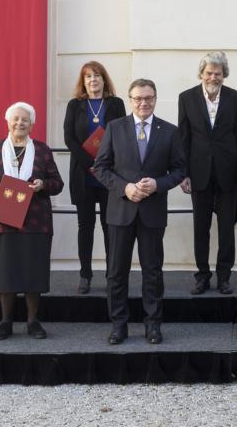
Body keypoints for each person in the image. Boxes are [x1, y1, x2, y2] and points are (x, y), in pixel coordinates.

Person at [92, 79, 186, 345]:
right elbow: (100, 168)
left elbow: (179, 170)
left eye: (149, 98)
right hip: (121, 211)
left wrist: (158, 184)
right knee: (116, 272)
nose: (143, 103)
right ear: (130, 100)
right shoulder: (114, 127)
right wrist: (125, 188)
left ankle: (153, 325)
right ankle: (118, 325)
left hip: (153, 212)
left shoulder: (169, 131)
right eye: (138, 98)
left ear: (155, 99)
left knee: (152, 271)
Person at [0, 102, 64, 340]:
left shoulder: (42, 150)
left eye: (25, 120)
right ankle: (6, 321)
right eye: (15, 119)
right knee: (5, 272)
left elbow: (58, 184)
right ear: (8, 122)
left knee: (33, 273)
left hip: (35, 222)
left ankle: (33, 321)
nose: (20, 123)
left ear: (32, 124)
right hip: (1, 221)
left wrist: (43, 185)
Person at [177, 51, 237, 295]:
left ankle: (224, 276)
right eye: (209, 72)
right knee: (201, 227)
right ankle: (202, 276)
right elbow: (183, 139)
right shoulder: (186, 98)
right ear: (202, 73)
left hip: (229, 172)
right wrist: (183, 173)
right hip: (198, 172)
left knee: (227, 227)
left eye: (218, 73)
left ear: (224, 75)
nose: (213, 77)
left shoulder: (236, 98)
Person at [62, 61, 125, 294]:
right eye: (88, 76)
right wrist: (91, 164)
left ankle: (112, 275)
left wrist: (101, 165)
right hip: (83, 176)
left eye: (97, 75)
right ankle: (85, 275)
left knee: (110, 228)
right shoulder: (75, 105)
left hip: (109, 177)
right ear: (83, 81)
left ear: (104, 79)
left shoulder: (116, 104)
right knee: (85, 227)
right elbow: (69, 138)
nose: (93, 80)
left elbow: (121, 135)